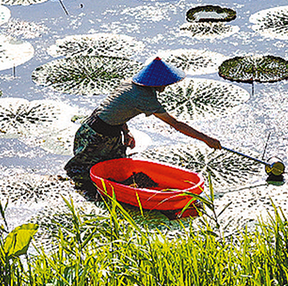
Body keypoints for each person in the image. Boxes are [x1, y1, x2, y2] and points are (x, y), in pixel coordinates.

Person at [64, 57, 222, 190]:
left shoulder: (130, 84)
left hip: (99, 127)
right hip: (98, 136)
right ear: (157, 82)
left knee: (117, 169)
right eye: (165, 83)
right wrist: (206, 139)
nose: (166, 87)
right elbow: (176, 124)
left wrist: (126, 132)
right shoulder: (144, 98)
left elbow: (116, 109)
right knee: (84, 172)